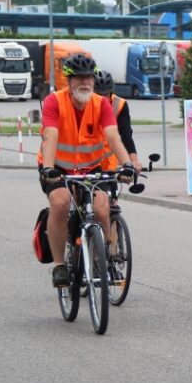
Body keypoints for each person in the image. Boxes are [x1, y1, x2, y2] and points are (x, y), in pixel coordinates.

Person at [38, 53, 135, 288]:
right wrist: (49, 168)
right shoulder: (54, 101)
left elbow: (113, 135)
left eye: (89, 78)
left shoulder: (102, 104)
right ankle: (60, 266)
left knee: (103, 208)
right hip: (58, 167)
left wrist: (127, 164)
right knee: (60, 203)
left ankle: (101, 259)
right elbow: (51, 136)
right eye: (79, 78)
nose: (85, 83)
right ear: (68, 81)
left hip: (92, 167)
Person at [93, 69, 142, 173]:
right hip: (88, 164)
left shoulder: (119, 105)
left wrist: (134, 161)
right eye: (98, 95)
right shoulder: (85, 105)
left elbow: (126, 135)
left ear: (111, 92)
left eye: (105, 94)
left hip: (111, 163)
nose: (102, 98)